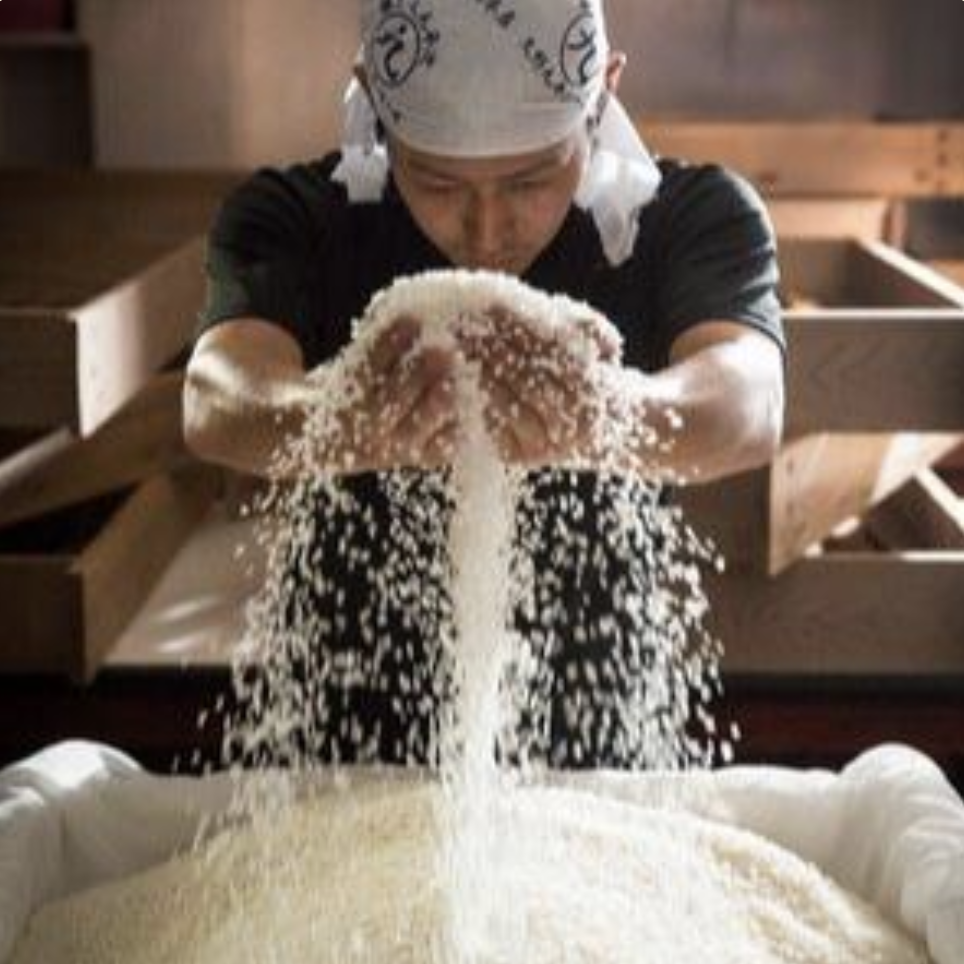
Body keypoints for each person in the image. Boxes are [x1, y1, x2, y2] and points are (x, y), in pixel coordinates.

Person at [184, 0, 785, 768]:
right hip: (341, 746)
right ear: (372, 98)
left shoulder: (691, 218)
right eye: (437, 183)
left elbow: (748, 402)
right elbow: (215, 398)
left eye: (533, 179)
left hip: (595, 740)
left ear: (603, 93)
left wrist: (608, 413)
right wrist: (338, 416)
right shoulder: (296, 217)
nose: (487, 229)